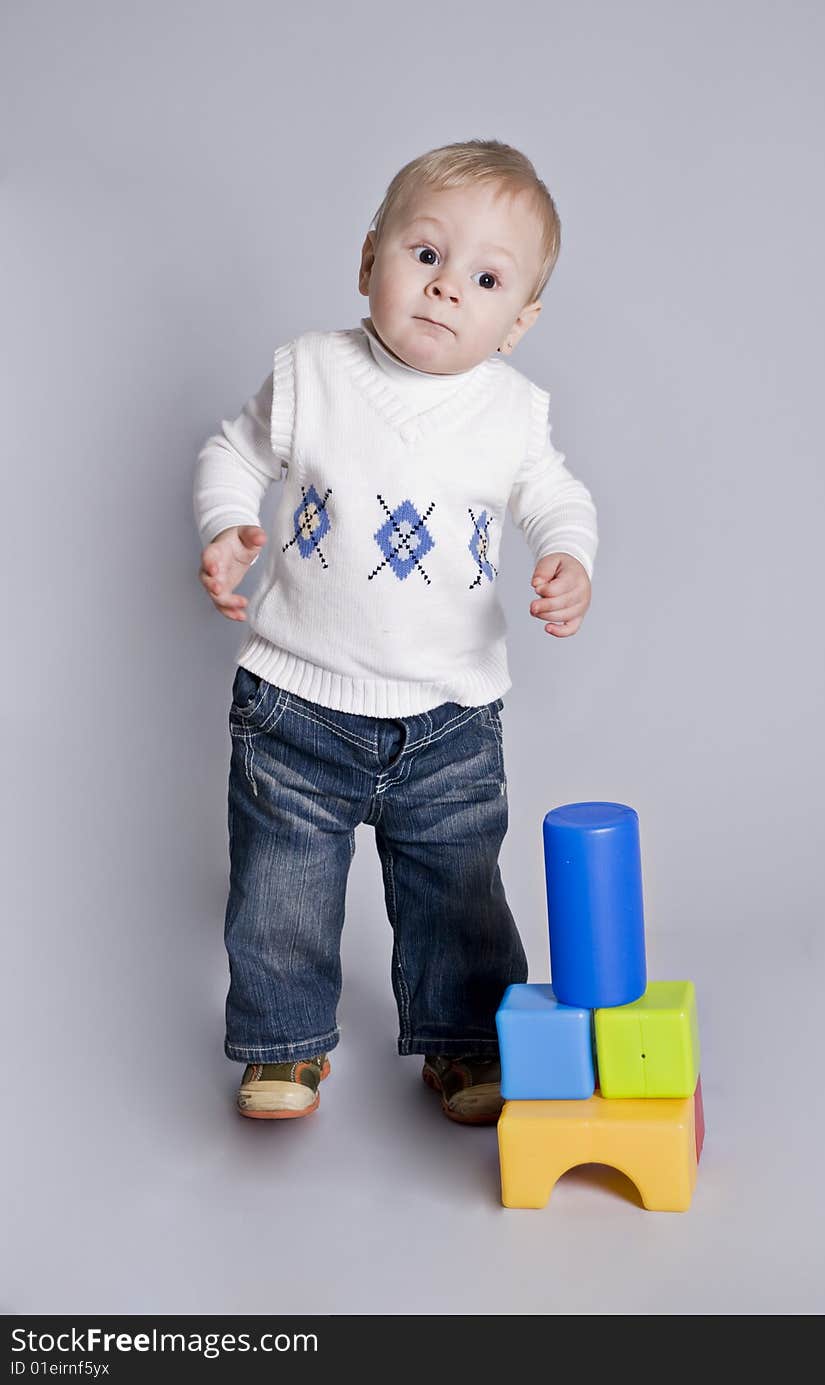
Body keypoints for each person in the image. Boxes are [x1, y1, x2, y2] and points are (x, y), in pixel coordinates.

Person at [193, 139, 599, 1125]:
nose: (446, 287)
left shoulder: (510, 409)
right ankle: (283, 1045)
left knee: (457, 890)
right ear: (368, 257)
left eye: (486, 277)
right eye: (424, 254)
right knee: (281, 885)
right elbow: (231, 451)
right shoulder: (311, 373)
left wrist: (567, 556)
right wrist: (226, 522)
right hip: (298, 703)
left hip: (451, 716)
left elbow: (557, 496)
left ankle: (461, 1046)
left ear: (518, 320)